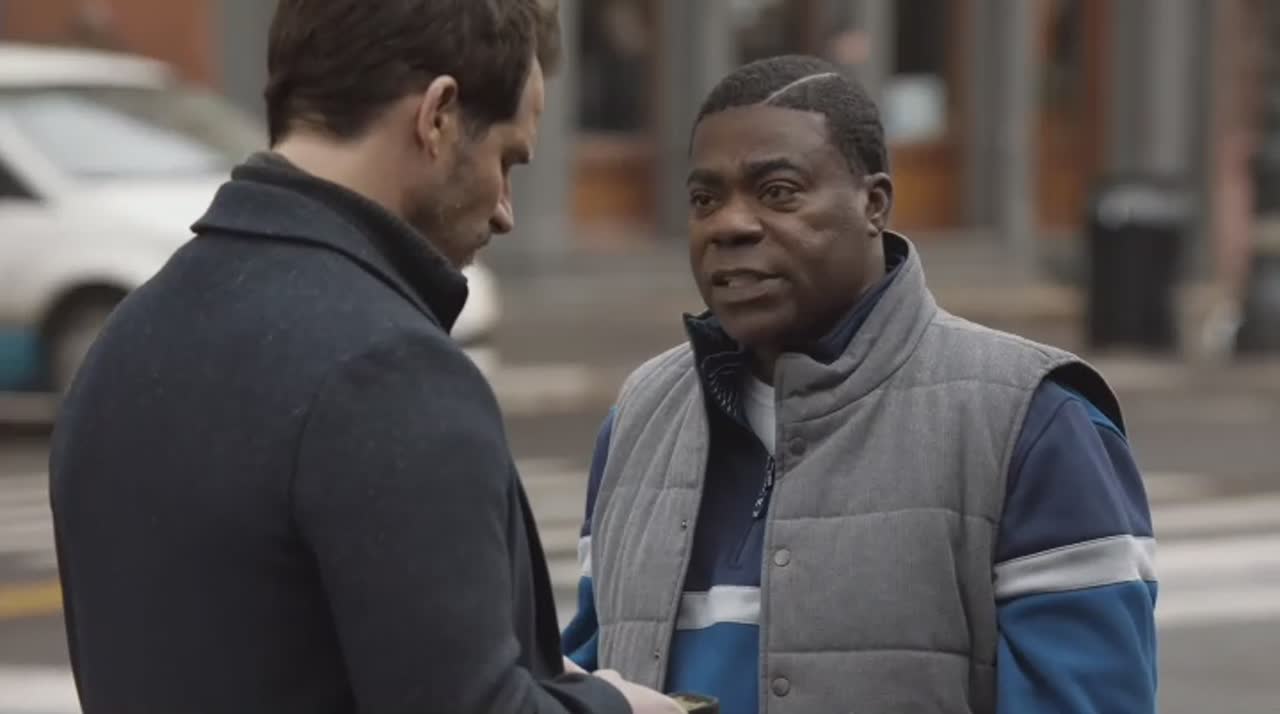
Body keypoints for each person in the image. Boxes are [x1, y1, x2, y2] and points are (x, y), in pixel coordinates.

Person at [48, 1, 680, 713]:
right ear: (438, 116)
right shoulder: (390, 369)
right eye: (506, 159)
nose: (506, 208)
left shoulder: (125, 339)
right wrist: (621, 708)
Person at [563, 55, 1158, 714]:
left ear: (873, 204)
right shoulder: (640, 416)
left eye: (778, 191)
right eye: (705, 199)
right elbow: (587, 679)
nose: (729, 225)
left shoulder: (1033, 421)